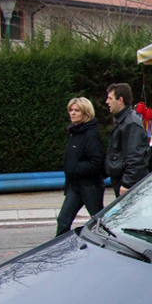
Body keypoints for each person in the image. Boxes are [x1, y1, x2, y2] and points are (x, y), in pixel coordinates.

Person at [56, 97, 106, 236]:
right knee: (63, 220)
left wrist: (75, 169)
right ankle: (60, 250)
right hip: (75, 185)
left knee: (98, 222)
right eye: (71, 110)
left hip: (90, 186)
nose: (72, 113)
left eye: (76, 110)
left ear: (86, 113)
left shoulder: (91, 134)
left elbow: (96, 161)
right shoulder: (74, 132)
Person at [104, 83, 149, 197]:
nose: (107, 102)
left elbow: (136, 157)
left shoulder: (131, 124)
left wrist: (127, 183)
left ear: (120, 100)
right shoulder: (123, 121)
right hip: (121, 180)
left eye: (110, 98)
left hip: (129, 184)